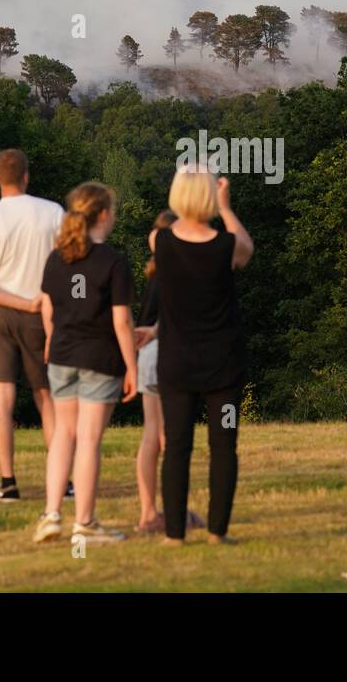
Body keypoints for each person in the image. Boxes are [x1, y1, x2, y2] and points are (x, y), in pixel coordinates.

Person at [147, 168, 253, 546]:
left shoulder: (160, 240)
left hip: (176, 362)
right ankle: (217, 531)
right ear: (210, 196)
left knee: (177, 446)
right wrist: (225, 207)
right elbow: (246, 249)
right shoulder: (226, 247)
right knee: (223, 445)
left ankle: (174, 533)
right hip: (223, 364)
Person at [33, 182, 138, 544]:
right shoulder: (114, 261)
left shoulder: (55, 258)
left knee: (64, 434)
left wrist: (50, 340)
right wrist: (133, 366)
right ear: (104, 215)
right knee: (89, 439)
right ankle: (85, 524)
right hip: (100, 358)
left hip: (61, 354)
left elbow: (47, 308)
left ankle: (50, 515)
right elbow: (122, 322)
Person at [0, 149, 63, 502]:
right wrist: (37, 302)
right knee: (46, 397)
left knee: (2, 397)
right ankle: (63, 480)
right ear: (27, 176)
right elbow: (67, 266)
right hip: (43, 311)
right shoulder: (53, 213)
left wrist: (15, 301)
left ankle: (8, 483)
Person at [133, 209, 204, 535]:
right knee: (169, 437)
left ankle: (156, 511)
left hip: (149, 354)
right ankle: (161, 513)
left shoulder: (158, 274)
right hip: (164, 351)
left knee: (157, 435)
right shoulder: (174, 273)